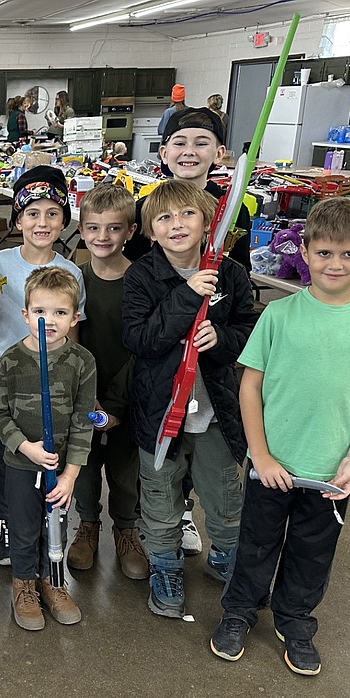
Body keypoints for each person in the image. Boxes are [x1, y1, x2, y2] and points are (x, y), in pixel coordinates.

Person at [209, 198, 350, 676]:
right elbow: (250, 384)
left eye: (348, 255)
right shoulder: (278, 315)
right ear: (304, 251)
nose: (334, 264)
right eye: (323, 253)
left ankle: (295, 619)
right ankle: (238, 611)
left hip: (331, 472)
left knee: (313, 551)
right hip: (271, 465)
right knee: (255, 544)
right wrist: (260, 454)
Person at [122, 180, 255, 620]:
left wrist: (223, 339)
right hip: (160, 416)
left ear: (207, 222)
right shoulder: (142, 275)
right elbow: (140, 340)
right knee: (161, 496)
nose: (176, 225)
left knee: (224, 494)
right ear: (150, 231)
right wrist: (186, 294)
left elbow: (249, 331)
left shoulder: (232, 274)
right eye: (164, 219)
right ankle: (165, 565)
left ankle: (226, 556)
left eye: (187, 215)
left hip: (215, 414)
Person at [0, 166, 85, 566]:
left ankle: (48, 515)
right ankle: (9, 522)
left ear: (64, 219)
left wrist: (76, 375)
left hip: (55, 379)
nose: (42, 222)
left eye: (52, 213)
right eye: (32, 213)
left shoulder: (72, 273)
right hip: (3, 375)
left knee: (52, 452)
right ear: (18, 219)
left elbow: (76, 332)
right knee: (6, 453)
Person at [0, 266, 96, 631]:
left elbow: (84, 420)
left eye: (60, 313)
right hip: (21, 466)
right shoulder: (12, 361)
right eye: (40, 312)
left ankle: (53, 581)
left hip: (61, 471)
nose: (49, 321)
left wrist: (70, 474)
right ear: (25, 314)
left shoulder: (82, 362)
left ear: (74, 316)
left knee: (57, 527)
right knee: (23, 527)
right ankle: (23, 584)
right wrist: (24, 447)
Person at [66, 183, 147, 581]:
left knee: (124, 467)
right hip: (84, 393)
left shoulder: (142, 282)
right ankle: (87, 525)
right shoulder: (73, 280)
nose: (102, 237)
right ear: (81, 230)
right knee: (83, 463)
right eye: (93, 228)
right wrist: (87, 397)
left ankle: (126, 529)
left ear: (131, 232)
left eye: (113, 228)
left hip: (128, 396)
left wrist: (113, 405)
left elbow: (144, 349)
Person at [125, 107, 252, 272]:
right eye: (179, 143)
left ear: (219, 153)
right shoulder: (145, 208)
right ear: (164, 153)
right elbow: (133, 268)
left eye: (201, 144)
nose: (189, 152)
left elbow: (241, 272)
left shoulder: (233, 209)